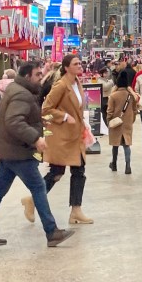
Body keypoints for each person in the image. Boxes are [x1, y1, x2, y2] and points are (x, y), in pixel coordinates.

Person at [0, 60, 75, 248]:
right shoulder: (21, 94)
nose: (40, 78)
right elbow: (14, 122)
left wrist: (37, 125)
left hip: (9, 151)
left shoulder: (19, 90)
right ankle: (52, 232)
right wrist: (35, 138)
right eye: (37, 74)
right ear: (28, 75)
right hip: (18, 151)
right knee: (38, 188)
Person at [32, 54, 93, 225]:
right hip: (62, 137)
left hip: (76, 136)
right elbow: (46, 109)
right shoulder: (60, 86)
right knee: (56, 172)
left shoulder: (77, 84)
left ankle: (76, 210)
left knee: (79, 172)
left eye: (80, 62)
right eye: (76, 63)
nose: (80, 65)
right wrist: (65, 116)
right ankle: (32, 200)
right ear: (67, 68)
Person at [107, 68, 138, 174]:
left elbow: (109, 111)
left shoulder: (113, 96)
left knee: (115, 145)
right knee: (126, 145)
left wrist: (109, 122)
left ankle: (114, 164)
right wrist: (131, 120)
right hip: (127, 123)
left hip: (115, 123)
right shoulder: (131, 96)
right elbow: (135, 110)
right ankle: (128, 166)